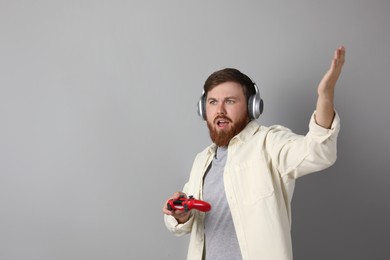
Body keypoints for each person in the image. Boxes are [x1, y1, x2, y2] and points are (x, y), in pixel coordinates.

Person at [162, 46, 346, 260]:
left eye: (230, 101)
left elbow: (318, 151)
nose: (220, 110)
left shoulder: (269, 143)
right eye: (213, 102)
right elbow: (184, 225)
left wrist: (325, 96)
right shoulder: (202, 161)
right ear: (204, 109)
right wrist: (182, 215)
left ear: (252, 107)